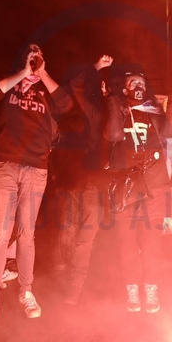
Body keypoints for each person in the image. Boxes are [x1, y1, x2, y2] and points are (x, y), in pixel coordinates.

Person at [0, 44, 72, 333]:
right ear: (22, 59)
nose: (35, 60)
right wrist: (23, 73)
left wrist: (41, 73)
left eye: (39, 56)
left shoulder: (45, 88)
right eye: (31, 57)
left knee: (27, 234)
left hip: (36, 167)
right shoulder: (10, 81)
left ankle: (26, 291)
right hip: (4, 164)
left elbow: (66, 104)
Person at [106, 70, 172, 313]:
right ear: (125, 88)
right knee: (126, 244)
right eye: (133, 83)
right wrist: (113, 101)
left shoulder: (154, 111)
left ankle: (151, 288)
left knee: (151, 245)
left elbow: (171, 131)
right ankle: (132, 289)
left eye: (142, 83)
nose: (139, 86)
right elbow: (113, 134)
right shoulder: (119, 109)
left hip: (154, 186)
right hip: (126, 188)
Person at [59, 54, 113, 305]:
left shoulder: (127, 116)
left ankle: (75, 285)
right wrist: (96, 67)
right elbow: (76, 85)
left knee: (85, 238)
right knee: (67, 231)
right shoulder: (95, 113)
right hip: (78, 179)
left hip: (101, 186)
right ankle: (64, 275)